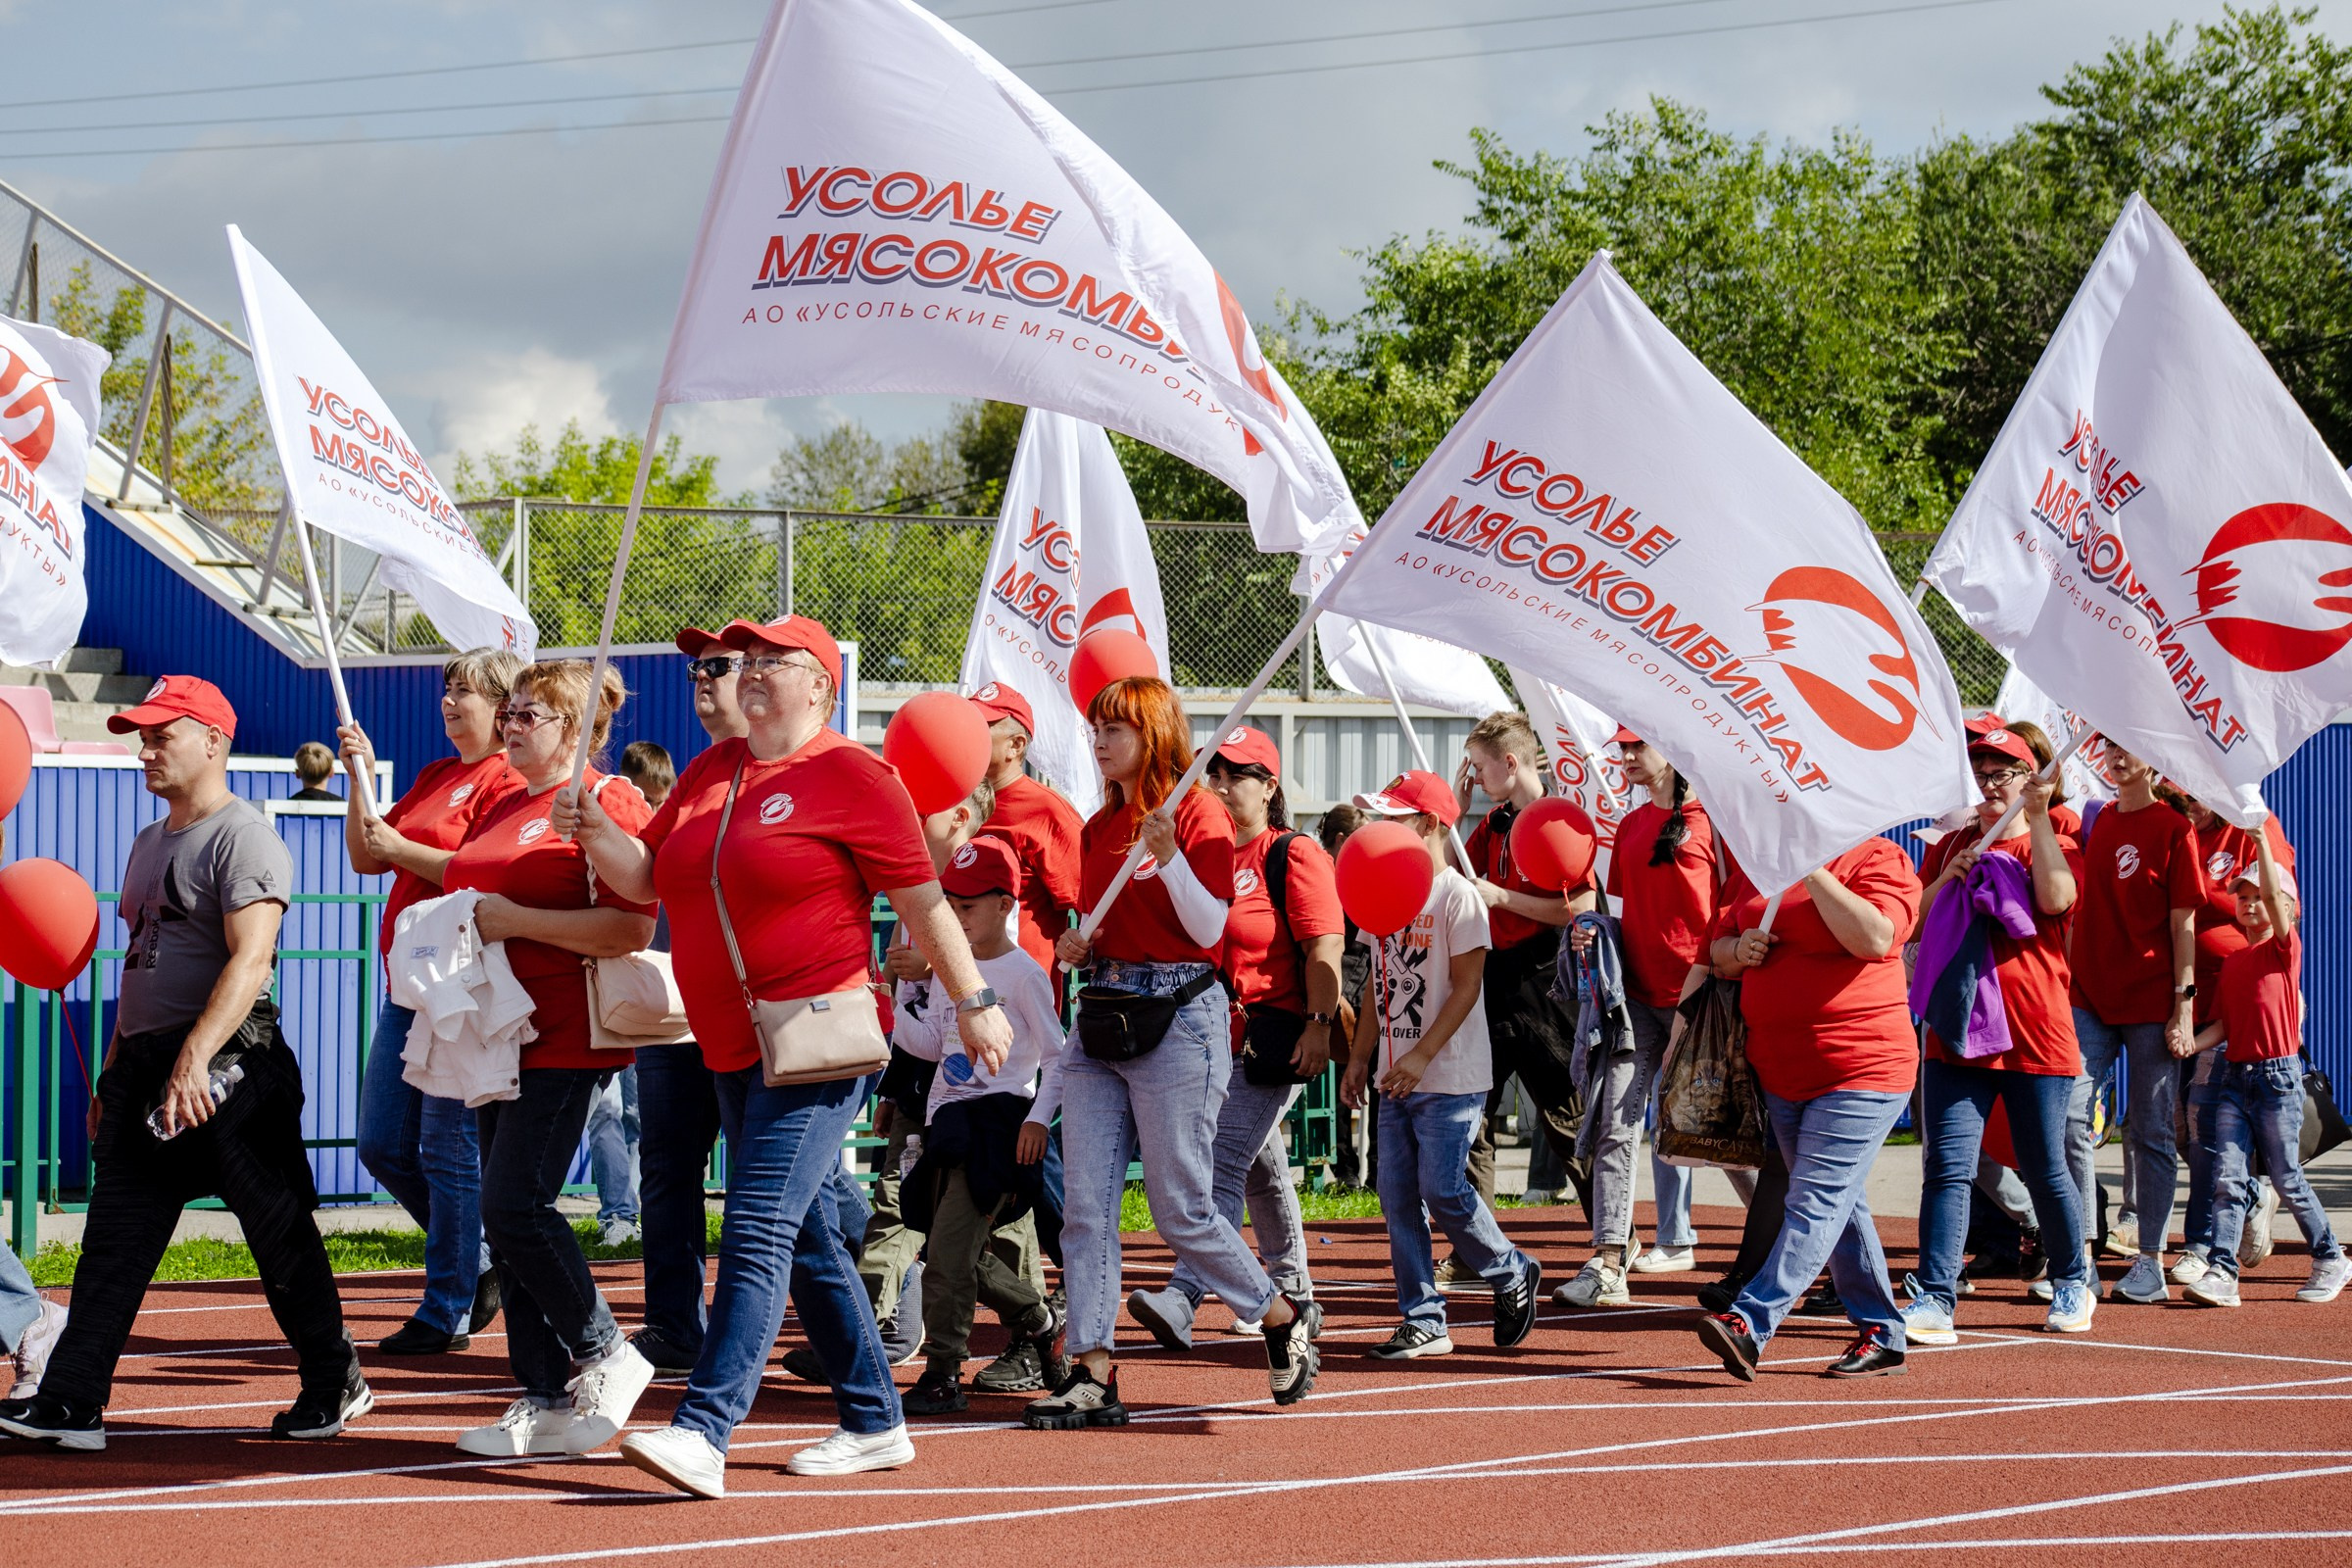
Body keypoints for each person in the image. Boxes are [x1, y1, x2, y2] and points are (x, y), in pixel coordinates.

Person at [564, 612, 1013, 1498]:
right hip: (730, 1041)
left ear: (821, 685)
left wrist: (974, 1001)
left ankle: (705, 1427)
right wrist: (593, 831)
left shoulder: (855, 776)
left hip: (817, 1037)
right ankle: (876, 1420)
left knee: (758, 1225)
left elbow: (921, 901)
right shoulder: (712, 769)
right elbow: (645, 878)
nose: (753, 671)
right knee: (805, 1242)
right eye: (749, 660)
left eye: (776, 659)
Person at [0, 677, 368, 1450]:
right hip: (146, 1068)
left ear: (212, 741)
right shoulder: (147, 841)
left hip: (233, 1066)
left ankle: (333, 1379)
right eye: (142, 737)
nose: (146, 750)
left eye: (161, 736)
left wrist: (194, 1061)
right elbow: (139, 965)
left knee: (279, 1235)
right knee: (113, 1244)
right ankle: (71, 1401)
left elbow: (252, 961)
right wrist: (113, 1074)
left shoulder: (245, 837)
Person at [1028, 675, 1315, 1430]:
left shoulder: (1196, 811)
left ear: (1152, 734)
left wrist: (1172, 856)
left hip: (1181, 1016)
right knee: (1086, 1209)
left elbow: (1207, 928)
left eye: (1115, 729)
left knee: (1180, 1208)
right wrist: (1079, 944)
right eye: (1096, 728)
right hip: (1104, 1015)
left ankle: (1278, 1313)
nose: (1099, 741)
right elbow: (1104, 925)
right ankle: (1092, 1370)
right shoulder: (1098, 827)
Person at [440, 660, 661, 1459]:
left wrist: (516, 921)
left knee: (514, 1205)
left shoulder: (605, 799)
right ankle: (539, 1397)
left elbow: (633, 927)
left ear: (576, 729)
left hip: (565, 1032)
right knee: (506, 1222)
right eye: (511, 712)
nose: (510, 724)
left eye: (530, 714)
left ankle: (605, 1348)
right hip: (495, 1032)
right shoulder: (503, 800)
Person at [1129, 725, 1343, 1348]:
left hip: (1271, 1037)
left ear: (1269, 787)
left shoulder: (1292, 853)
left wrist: (1319, 1027)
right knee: (1260, 1169)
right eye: (1213, 775)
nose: (1220, 786)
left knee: (1219, 1163)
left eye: (1237, 776)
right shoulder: (1202, 854)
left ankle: (1183, 1296)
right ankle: (1295, 1293)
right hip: (1203, 1041)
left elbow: (1324, 947)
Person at [340, 649, 525, 1355]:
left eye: (465, 691)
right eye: (446, 689)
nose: (450, 701)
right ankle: (479, 1258)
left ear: (501, 706)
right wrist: (359, 779)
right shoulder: (434, 775)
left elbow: (479, 872)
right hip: (409, 982)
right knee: (381, 1143)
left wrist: (400, 848)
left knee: (449, 1150)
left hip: (460, 981)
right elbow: (368, 856)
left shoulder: (507, 780)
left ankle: (446, 1306)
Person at [1692, 838, 1924, 1381]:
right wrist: (1738, 949)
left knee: (1814, 1199)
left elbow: (1876, 937)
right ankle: (1883, 1333)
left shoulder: (1878, 857)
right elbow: (1715, 948)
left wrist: (1812, 870)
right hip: (1782, 1072)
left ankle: (1751, 1320)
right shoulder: (1758, 863)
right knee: (1838, 1204)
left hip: (1862, 1067)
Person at [1903, 719, 2097, 1344]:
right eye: (1981, 773)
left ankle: (2073, 1280)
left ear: (2030, 778)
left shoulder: (2056, 836)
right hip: (1957, 1032)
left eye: (2003, 773)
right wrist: (1947, 879)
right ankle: (1935, 1297)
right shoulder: (1952, 843)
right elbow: (1911, 921)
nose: (1989, 784)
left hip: (2035, 1031)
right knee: (1947, 1168)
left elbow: (2057, 899)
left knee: (2045, 1168)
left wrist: (2035, 817)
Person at [1342, 769, 1543, 1358]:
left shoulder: (1457, 895)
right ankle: (1424, 1318)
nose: (1377, 827)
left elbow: (1466, 985)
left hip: (1450, 1075)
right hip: (1394, 1075)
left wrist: (1422, 1055)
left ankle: (1510, 1269)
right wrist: (1360, 1058)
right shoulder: (1381, 888)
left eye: (1392, 817)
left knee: (1443, 1188)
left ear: (1428, 824)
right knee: (1396, 1196)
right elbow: (1377, 984)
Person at [896, 836, 1070, 1415]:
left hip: (995, 1130)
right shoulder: (954, 970)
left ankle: (942, 1373)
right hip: (945, 1126)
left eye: (967, 906)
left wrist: (1038, 1120)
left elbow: (1059, 1057)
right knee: (950, 1249)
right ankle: (1038, 1320)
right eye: (949, 905)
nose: (956, 916)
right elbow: (932, 1042)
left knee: (948, 1255)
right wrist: (898, 999)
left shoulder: (1023, 975)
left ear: (1005, 905)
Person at [1578, 725, 1734, 1299]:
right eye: (1622, 747)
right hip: (1637, 1004)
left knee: (1721, 1138)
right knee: (1615, 1126)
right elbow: (1621, 913)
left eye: (1638, 745)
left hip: (1704, 1001)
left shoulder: (1714, 823)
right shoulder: (1631, 825)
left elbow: (1732, 910)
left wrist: (1705, 985)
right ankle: (1608, 1260)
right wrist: (1592, 932)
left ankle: (1790, 1244)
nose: (1627, 755)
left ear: (1673, 747)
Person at [622, 634, 740, 1378]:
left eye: (718, 666)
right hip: (677, 1004)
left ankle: (883, 1286)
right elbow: (642, 871)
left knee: (788, 1181)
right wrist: (596, 830)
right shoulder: (696, 775)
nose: (702, 678)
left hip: (758, 1011)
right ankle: (673, 1327)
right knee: (666, 1167)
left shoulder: (807, 771)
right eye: (696, 667)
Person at [2065, 740, 2204, 1302]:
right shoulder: (2094, 819)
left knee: (2151, 1132)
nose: (2116, 756)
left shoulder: (2174, 828)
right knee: (2069, 1120)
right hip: (2089, 996)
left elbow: (2183, 926)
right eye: (2109, 746)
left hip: (2151, 1003)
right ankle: (2079, 1256)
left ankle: (2150, 1260)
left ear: (2152, 759)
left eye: (2128, 748)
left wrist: (2183, 1006)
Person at [2181, 843, 2348, 1307]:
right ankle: (2222, 1271)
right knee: (2228, 1177)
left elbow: (2276, 901)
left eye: (2260, 897)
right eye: (2242, 897)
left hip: (2277, 1079)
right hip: (2235, 1079)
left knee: (2286, 1177)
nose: (2250, 904)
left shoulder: (2283, 949)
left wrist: (2257, 839)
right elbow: (2224, 1025)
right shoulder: (2234, 962)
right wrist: (2190, 1043)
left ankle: (2331, 1257)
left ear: (2288, 909)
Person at [1456, 711, 1595, 1255]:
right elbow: (1447, 873)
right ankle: (1478, 1249)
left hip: (1545, 984)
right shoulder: (1491, 823)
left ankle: (1615, 1240)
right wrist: (1454, 813)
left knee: (1565, 1120)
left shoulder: (1558, 820)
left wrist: (1503, 898)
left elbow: (1579, 906)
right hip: (1494, 981)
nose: (1474, 776)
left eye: (1478, 766)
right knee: (1472, 1118)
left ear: (1510, 762)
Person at [2169, 792, 2295, 1287]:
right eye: (2176, 792)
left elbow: (2280, 907)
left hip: (2236, 1013)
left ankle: (2201, 1245)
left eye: (2193, 793)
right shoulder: (2178, 830)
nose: (2186, 801)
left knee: (2205, 1127)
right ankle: (2250, 1194)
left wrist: (2288, 996)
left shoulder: (2249, 829)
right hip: (2182, 1003)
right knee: (2178, 1129)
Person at [969, 682, 1084, 975]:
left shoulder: (1047, 811)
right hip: (951, 984)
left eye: (981, 727)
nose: (966, 733)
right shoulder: (950, 800)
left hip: (1020, 987)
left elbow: (1090, 902)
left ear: (1016, 745)